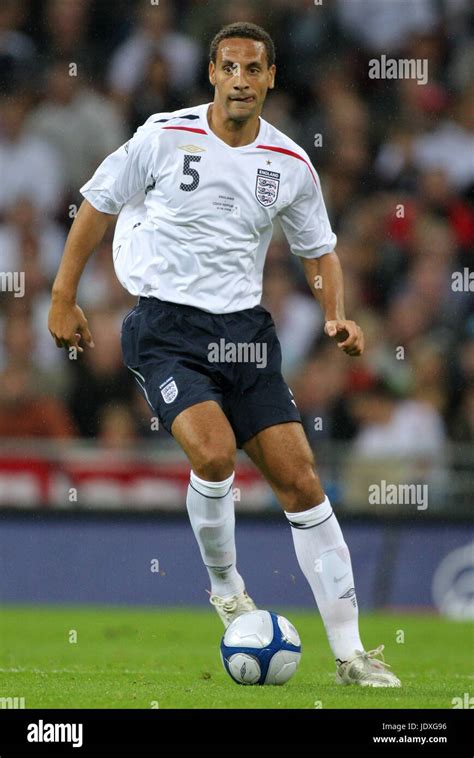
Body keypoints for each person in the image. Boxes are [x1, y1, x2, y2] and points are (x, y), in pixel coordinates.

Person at [48, 22, 400, 687]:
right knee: (212, 454)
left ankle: (353, 657)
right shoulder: (162, 135)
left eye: (253, 69)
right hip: (166, 329)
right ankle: (227, 588)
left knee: (301, 481)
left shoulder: (290, 163)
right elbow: (96, 204)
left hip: (245, 334)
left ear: (270, 79)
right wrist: (63, 298)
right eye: (229, 67)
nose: (241, 79)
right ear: (212, 73)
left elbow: (317, 248)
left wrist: (335, 314)